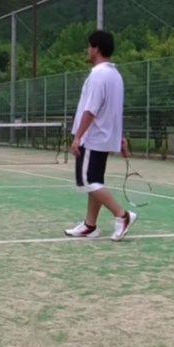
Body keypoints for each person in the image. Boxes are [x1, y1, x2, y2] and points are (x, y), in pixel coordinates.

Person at [64, 30, 136, 242]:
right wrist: (121, 137)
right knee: (94, 181)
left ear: (96, 49)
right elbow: (115, 110)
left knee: (87, 181)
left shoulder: (98, 75)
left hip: (93, 138)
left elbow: (91, 109)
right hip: (105, 138)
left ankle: (122, 216)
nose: (87, 50)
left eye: (89, 46)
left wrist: (78, 136)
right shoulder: (116, 76)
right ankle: (90, 225)